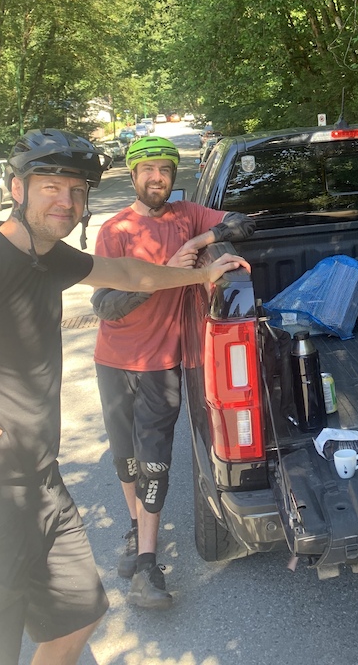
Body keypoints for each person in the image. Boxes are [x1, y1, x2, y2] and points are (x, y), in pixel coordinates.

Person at [0, 129, 245, 665]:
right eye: (51, 187)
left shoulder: (49, 257)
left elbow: (130, 273)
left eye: (76, 191)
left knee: (81, 616)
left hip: (42, 480)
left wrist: (203, 270)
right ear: (17, 187)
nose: (66, 201)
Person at [90, 136, 255, 609]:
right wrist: (166, 271)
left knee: (155, 457)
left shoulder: (188, 216)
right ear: (134, 175)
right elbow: (105, 305)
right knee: (126, 457)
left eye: (164, 169)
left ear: (172, 176)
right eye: (147, 170)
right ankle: (134, 527)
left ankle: (147, 562)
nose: (156, 177)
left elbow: (241, 225)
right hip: (113, 359)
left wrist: (202, 241)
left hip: (163, 363)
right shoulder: (116, 229)